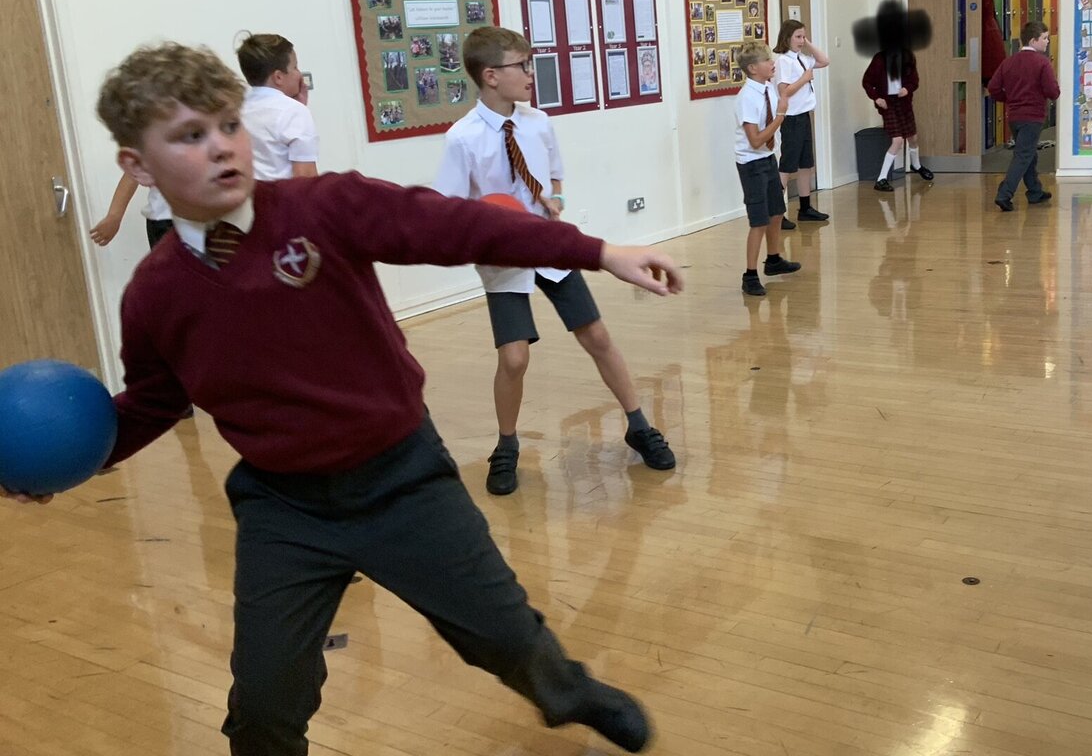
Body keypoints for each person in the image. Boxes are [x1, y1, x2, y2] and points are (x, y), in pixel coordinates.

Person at [5, 41, 680, 755]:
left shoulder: (322, 209)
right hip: (284, 508)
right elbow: (152, 399)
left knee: (504, 635)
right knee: (264, 702)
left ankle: (567, 692)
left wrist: (599, 251)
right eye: (189, 136)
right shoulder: (154, 295)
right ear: (137, 166)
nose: (222, 149)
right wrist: (62, 460)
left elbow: (457, 224)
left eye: (229, 126)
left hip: (402, 477)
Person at [433, 27, 677, 496]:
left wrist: (556, 198)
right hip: (503, 259)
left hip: (549, 247)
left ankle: (637, 424)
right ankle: (507, 445)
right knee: (514, 357)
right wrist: (483, 227)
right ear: (490, 76)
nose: (530, 73)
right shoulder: (461, 140)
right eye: (521, 66)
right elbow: (446, 210)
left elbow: (556, 173)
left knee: (598, 336)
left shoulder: (539, 124)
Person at [732, 38, 801, 296]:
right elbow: (756, 139)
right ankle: (749, 275)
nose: (772, 63)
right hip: (751, 164)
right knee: (758, 221)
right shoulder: (746, 98)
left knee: (776, 213)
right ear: (752, 68)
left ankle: (773, 259)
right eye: (767, 61)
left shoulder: (767, 88)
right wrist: (781, 115)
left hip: (768, 159)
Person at [986, 20, 1058, 212]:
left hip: (1014, 117)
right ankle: (1004, 194)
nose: (1047, 42)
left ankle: (1035, 191)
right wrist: (1051, 93)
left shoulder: (1008, 62)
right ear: (1034, 40)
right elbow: (1052, 91)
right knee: (1023, 155)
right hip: (1033, 117)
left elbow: (993, 88)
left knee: (1029, 154)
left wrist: (1007, 98)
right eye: (1044, 38)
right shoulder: (1042, 63)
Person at [236, 32, 318, 181]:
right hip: (283, 200)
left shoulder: (237, 110)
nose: (299, 74)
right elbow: (306, 180)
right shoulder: (295, 112)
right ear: (278, 77)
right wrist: (300, 110)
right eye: (295, 67)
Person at [772, 20, 830, 225]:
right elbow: (784, 91)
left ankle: (805, 207)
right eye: (797, 37)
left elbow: (824, 60)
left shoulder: (802, 58)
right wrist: (804, 79)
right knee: (788, 164)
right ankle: (777, 213)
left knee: (806, 163)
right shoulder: (783, 61)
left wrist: (809, 43)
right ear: (787, 38)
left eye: (803, 37)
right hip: (791, 118)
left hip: (804, 115)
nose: (801, 41)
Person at [862, 42, 932, 192]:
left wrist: (907, 89)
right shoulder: (879, 60)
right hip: (887, 104)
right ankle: (881, 179)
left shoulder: (908, 58)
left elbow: (914, 81)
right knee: (898, 140)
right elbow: (867, 82)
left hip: (904, 104)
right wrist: (877, 98)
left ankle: (916, 165)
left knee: (912, 137)